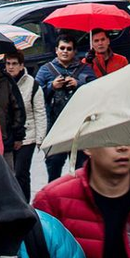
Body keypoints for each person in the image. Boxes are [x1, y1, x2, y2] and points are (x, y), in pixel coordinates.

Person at [35, 35, 86, 181]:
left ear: (74, 51)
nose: (65, 51)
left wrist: (78, 84)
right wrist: (52, 86)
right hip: (54, 127)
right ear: (56, 50)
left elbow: (96, 88)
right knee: (54, 168)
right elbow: (35, 94)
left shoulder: (85, 69)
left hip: (79, 127)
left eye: (69, 49)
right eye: (62, 48)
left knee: (81, 171)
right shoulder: (45, 70)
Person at [3, 48, 46, 200]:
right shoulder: (2, 82)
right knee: (9, 172)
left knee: (21, 171)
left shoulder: (32, 84)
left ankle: (25, 203)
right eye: (8, 63)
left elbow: (40, 112)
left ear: (21, 65)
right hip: (8, 135)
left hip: (28, 135)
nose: (11, 67)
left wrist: (40, 138)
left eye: (14, 63)